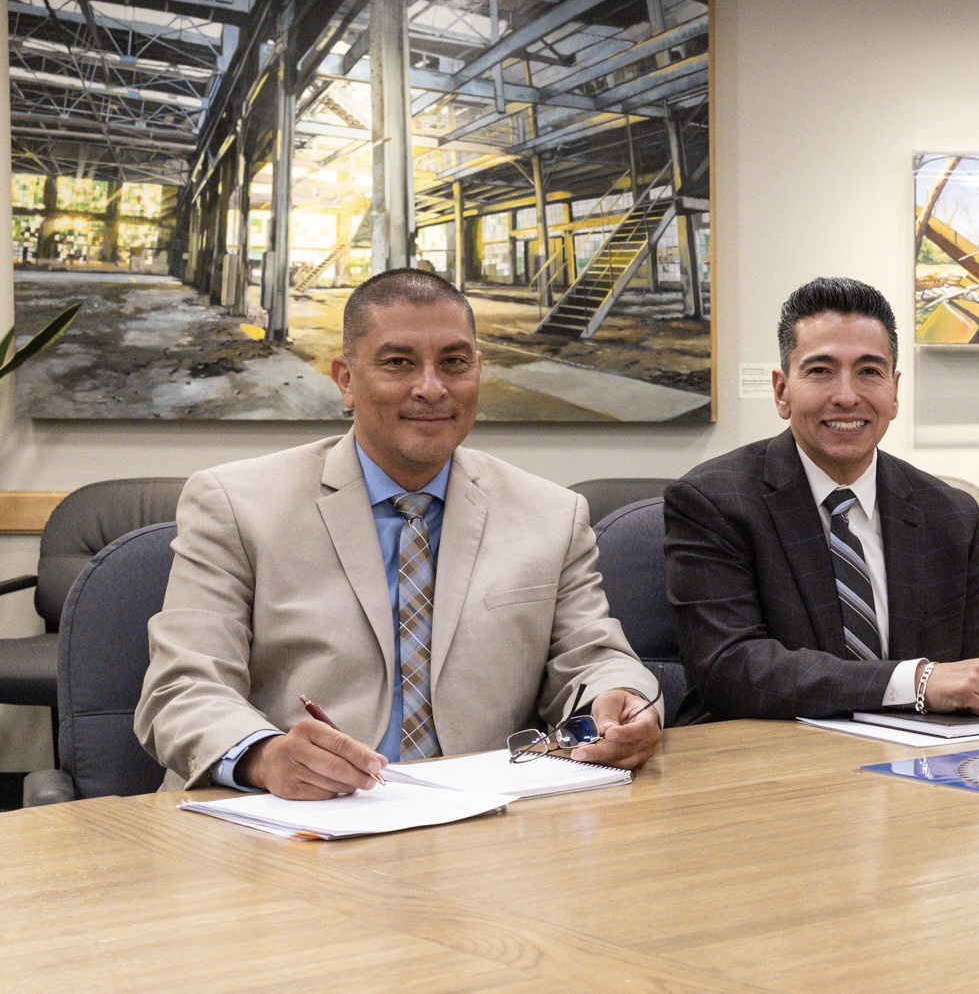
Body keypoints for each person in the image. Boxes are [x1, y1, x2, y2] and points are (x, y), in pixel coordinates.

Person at [136, 269, 660, 798]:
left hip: (481, 825)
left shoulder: (552, 514)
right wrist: (263, 757)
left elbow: (597, 659)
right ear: (344, 379)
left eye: (454, 363)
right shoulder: (234, 504)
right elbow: (182, 689)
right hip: (285, 824)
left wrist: (620, 699)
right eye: (398, 363)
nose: (431, 388)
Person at [667, 277, 979, 720]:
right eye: (820, 371)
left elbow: (975, 679)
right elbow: (729, 668)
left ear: (894, 393)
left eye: (869, 372)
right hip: (768, 760)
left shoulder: (950, 514)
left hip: (915, 768)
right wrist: (913, 682)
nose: (846, 396)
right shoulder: (712, 501)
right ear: (782, 391)